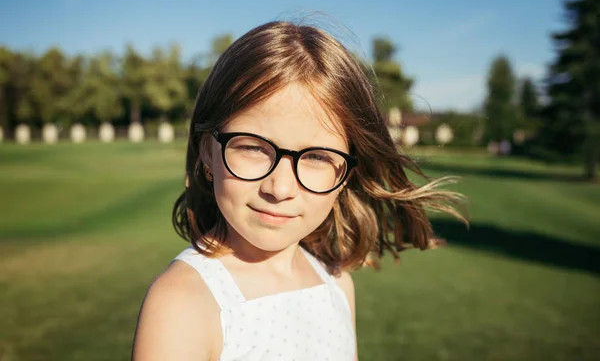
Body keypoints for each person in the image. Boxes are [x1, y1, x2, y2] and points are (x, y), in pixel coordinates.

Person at [132, 21, 466, 361]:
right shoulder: (184, 303)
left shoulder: (336, 284)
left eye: (318, 156)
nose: (280, 187)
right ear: (207, 151)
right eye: (253, 148)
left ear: (347, 173)